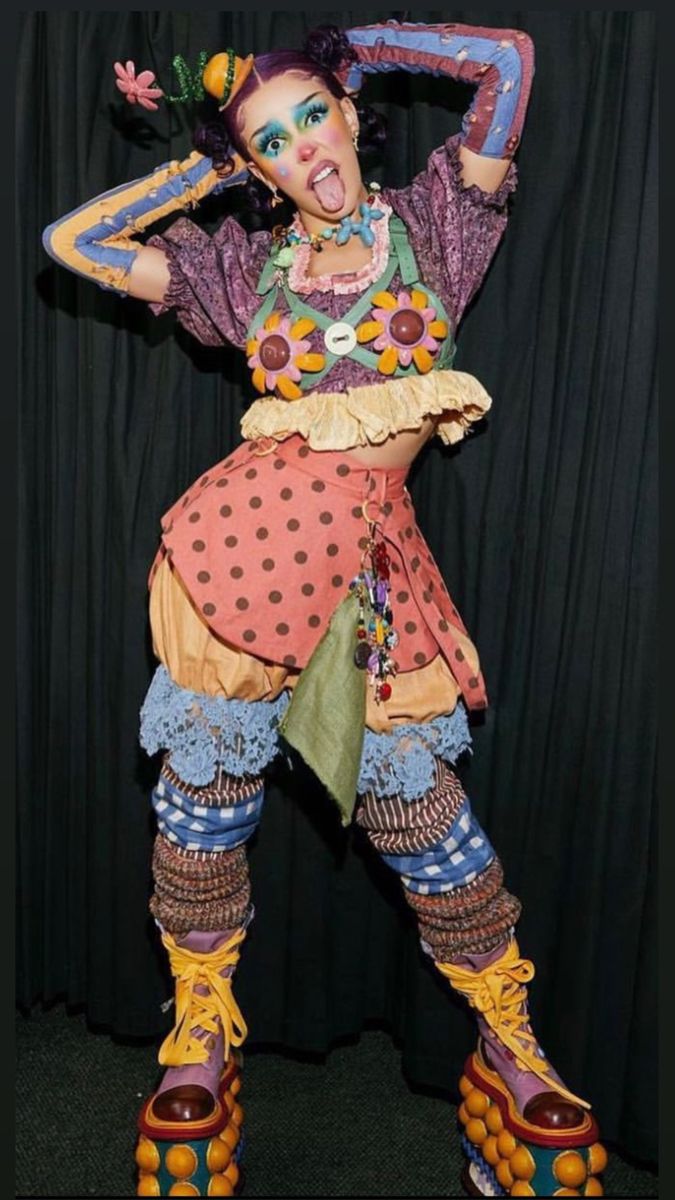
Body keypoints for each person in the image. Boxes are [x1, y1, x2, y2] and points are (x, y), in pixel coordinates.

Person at [43, 20, 608, 1198]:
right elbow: (72, 241)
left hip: (368, 578)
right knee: (203, 808)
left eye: (313, 117)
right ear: (262, 171)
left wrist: (361, 42)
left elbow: (506, 62)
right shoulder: (238, 271)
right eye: (272, 143)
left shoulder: (436, 228)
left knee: (428, 826)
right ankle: (199, 1026)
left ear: (351, 117)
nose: (303, 149)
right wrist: (200, 165)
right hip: (233, 569)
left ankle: (509, 1039)